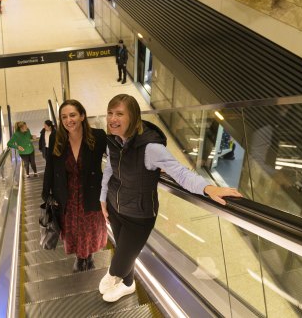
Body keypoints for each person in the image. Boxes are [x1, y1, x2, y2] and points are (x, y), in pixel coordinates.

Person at [98, 94, 242, 302]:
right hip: (115, 207)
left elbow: (181, 174)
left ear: (134, 118)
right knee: (123, 251)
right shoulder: (113, 141)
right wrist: (103, 199)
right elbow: (110, 170)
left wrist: (208, 188)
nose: (112, 119)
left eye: (120, 114)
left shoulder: (150, 148)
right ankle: (128, 285)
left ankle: (114, 275)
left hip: (139, 216)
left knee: (120, 262)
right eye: (110, 113)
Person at [42, 100, 107, 272]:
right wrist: (46, 193)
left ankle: (89, 256)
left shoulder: (98, 136)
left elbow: (119, 154)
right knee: (73, 228)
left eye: (72, 115)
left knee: (89, 228)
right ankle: (80, 257)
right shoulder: (56, 137)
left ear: (82, 116)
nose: (68, 120)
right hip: (66, 192)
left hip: (91, 191)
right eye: (64, 117)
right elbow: (50, 165)